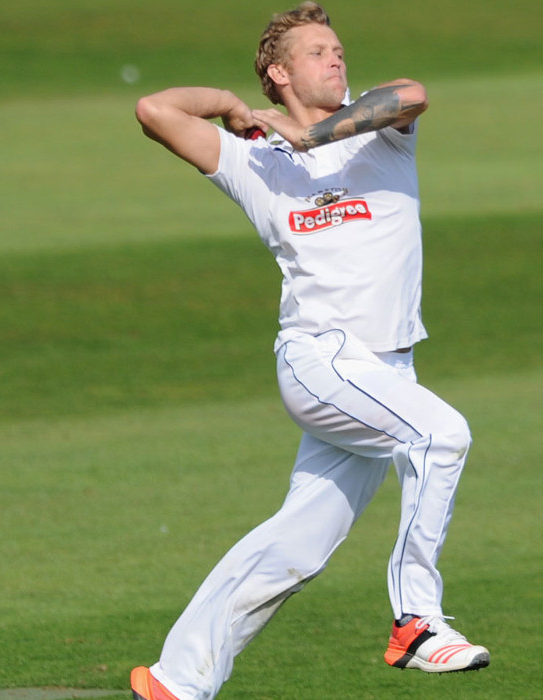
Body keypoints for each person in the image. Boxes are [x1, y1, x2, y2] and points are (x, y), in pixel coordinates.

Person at [130, 3, 490, 698]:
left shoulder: (377, 132)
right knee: (441, 436)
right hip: (321, 360)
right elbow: (154, 110)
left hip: (387, 371)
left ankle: (176, 679)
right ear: (279, 73)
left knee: (296, 545)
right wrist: (229, 104)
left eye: (338, 48)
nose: (336, 58)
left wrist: (312, 132)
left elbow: (412, 93)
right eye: (317, 51)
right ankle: (416, 623)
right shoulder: (254, 162)